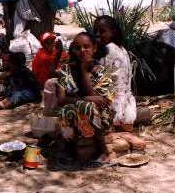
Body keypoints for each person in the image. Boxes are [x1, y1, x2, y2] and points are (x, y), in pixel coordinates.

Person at [48, 32, 115, 161]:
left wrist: (84, 71)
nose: (82, 51)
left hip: (99, 120)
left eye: (86, 47)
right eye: (78, 48)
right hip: (74, 119)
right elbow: (61, 100)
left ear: (94, 48)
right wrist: (86, 99)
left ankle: (103, 150)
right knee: (68, 109)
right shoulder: (65, 70)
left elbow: (100, 102)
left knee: (87, 106)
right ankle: (68, 148)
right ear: (73, 50)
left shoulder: (102, 72)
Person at [94, 15, 136, 132]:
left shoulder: (108, 50)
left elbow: (101, 82)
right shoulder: (122, 49)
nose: (97, 34)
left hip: (113, 106)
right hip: (128, 107)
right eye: (95, 31)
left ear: (113, 32)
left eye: (102, 31)